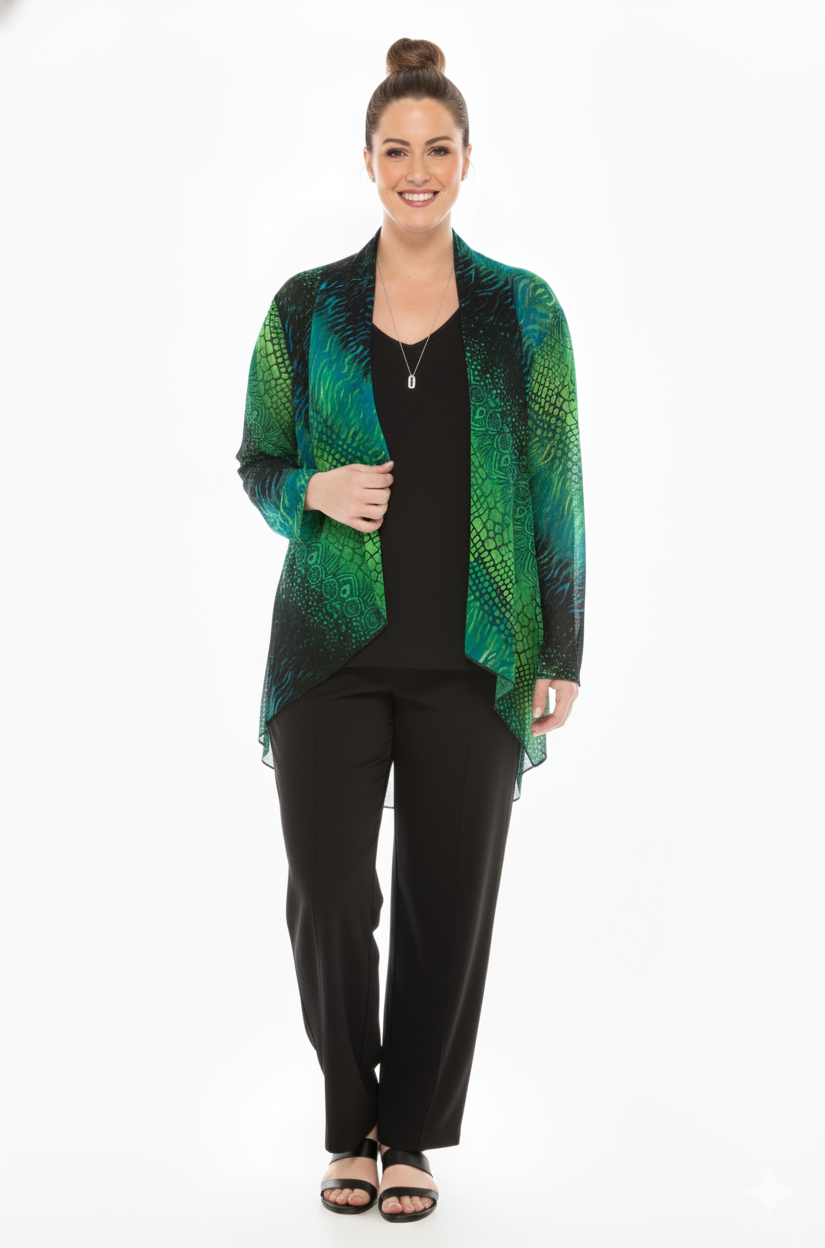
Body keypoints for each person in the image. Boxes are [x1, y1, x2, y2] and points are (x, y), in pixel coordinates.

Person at [235, 37, 586, 1223]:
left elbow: (555, 484)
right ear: (367, 161)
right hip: (329, 654)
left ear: (468, 160)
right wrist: (312, 491)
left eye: (438, 149)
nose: (417, 170)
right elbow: (258, 460)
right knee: (330, 891)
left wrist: (562, 648)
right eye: (396, 150)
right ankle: (351, 1119)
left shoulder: (521, 311)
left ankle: (409, 1140)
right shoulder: (308, 308)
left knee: (448, 903)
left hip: (475, 660)